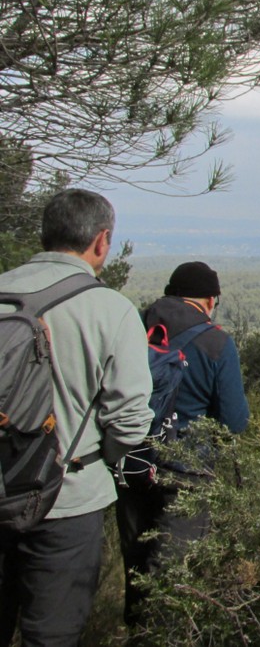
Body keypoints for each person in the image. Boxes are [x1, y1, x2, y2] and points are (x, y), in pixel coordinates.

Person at [0, 189, 154, 647]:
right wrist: (89, 461)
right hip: (67, 499)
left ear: (44, 234)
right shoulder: (111, 310)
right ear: (102, 241)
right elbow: (129, 422)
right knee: (52, 636)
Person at [116, 261, 249, 628]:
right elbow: (235, 421)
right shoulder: (217, 342)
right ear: (211, 300)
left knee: (137, 569)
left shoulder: (134, 326)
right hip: (186, 473)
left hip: (132, 464)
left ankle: (135, 632)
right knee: (172, 579)